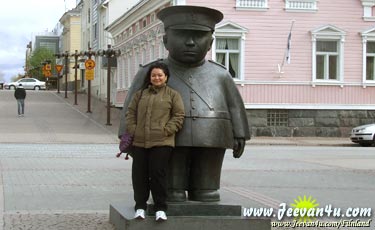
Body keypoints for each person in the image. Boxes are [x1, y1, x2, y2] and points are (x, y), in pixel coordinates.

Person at [119, 5, 250, 203]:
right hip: (166, 139)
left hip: (212, 137)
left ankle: (205, 192)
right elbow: (132, 106)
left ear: (210, 42)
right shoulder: (151, 72)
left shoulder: (221, 75)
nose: (190, 42)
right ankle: (171, 194)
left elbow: (234, 105)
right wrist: (127, 136)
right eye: (181, 35)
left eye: (198, 36)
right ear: (165, 40)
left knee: (207, 192)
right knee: (171, 190)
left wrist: (240, 133)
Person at [124, 62, 185, 221]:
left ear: (166, 77)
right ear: (149, 78)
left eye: (160, 75)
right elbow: (130, 113)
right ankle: (140, 207)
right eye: (153, 75)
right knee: (139, 176)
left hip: (162, 142)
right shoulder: (140, 94)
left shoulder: (173, 95)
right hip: (140, 142)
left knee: (158, 175)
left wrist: (166, 130)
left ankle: (160, 208)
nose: (156, 78)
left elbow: (178, 116)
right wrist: (133, 129)